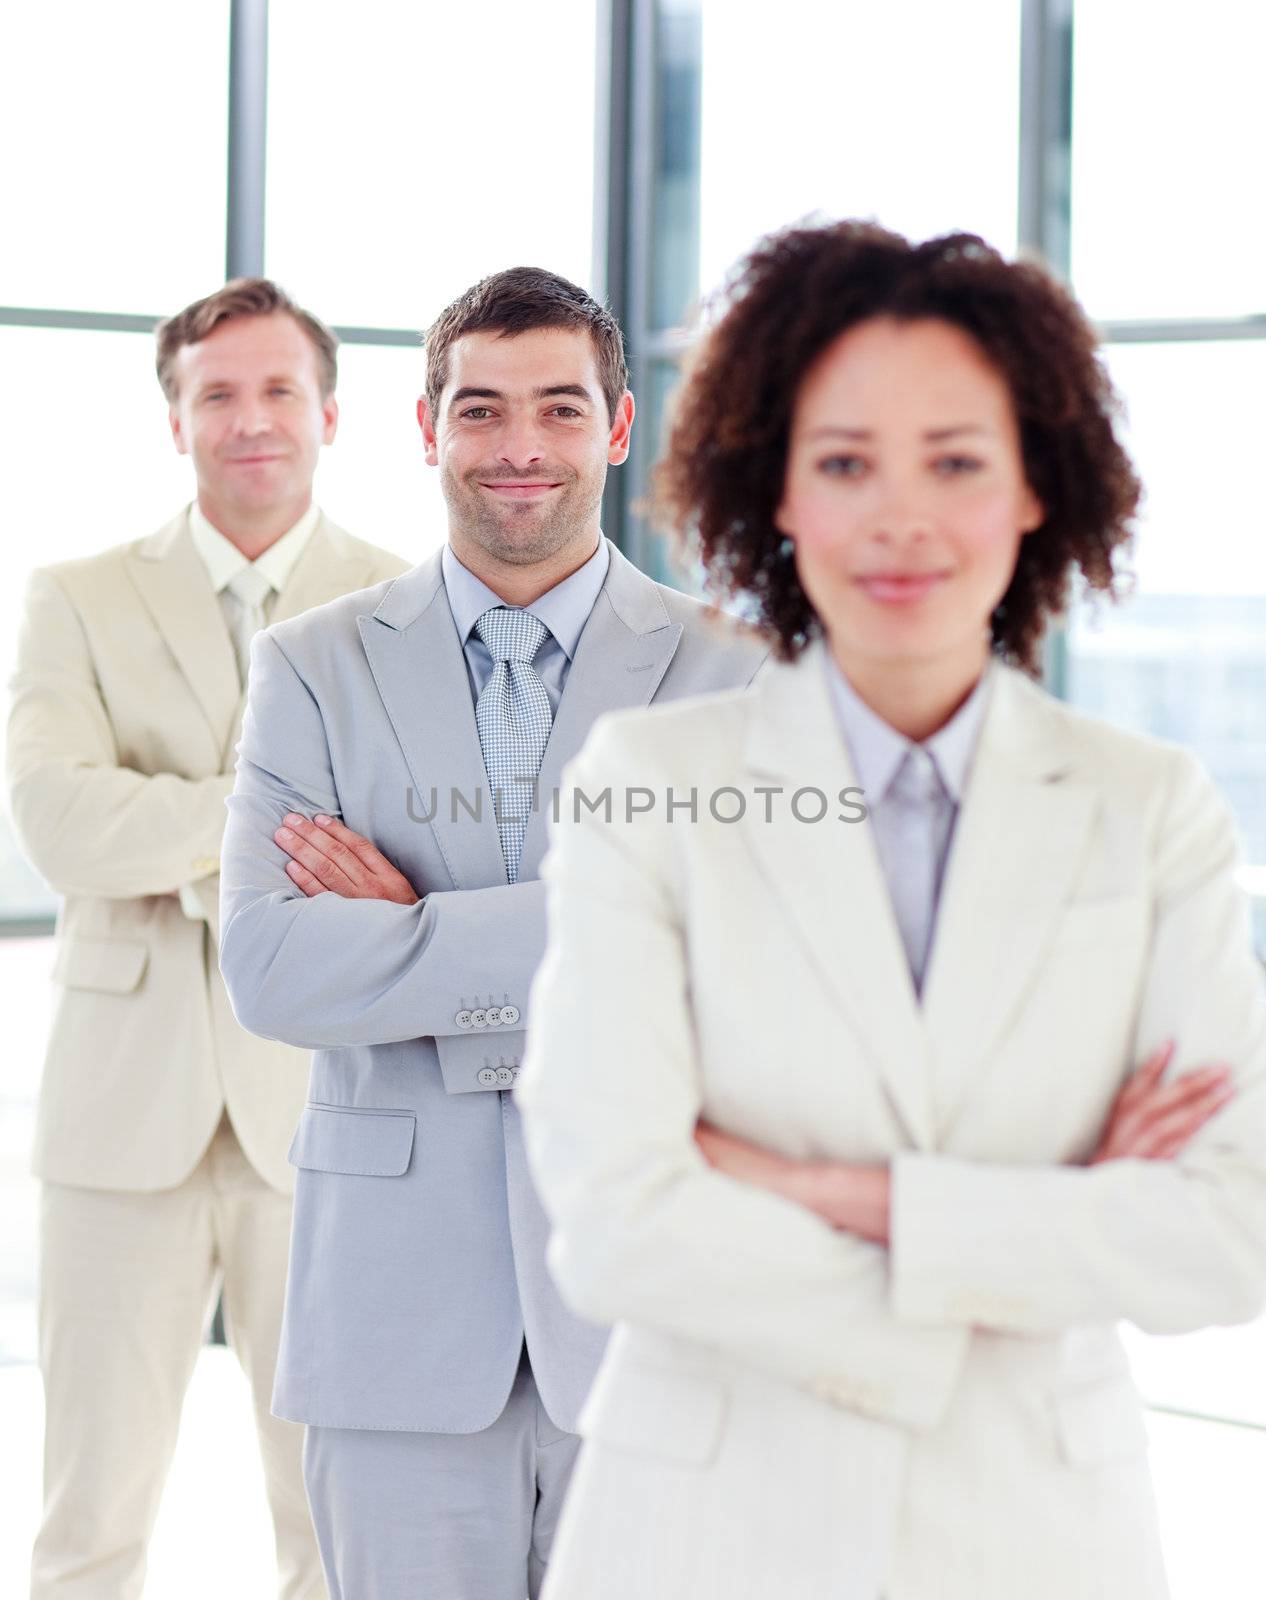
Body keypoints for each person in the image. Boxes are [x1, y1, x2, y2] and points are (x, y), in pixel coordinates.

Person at [515, 222, 1266, 1600]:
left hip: (1034, 1530)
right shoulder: (646, 783)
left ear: (1037, 486)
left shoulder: (1144, 807)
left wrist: (832, 1194)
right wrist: (1040, 1225)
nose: (899, 516)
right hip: (706, 1531)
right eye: (845, 462)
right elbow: (617, 1217)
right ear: (777, 493)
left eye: (957, 462)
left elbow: (1225, 1233)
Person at [216, 266, 765, 1600]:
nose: (519, 449)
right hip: (392, 1319)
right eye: (481, 410)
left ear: (619, 427)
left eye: (559, 410)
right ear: (425, 428)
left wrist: (412, 934)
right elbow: (273, 968)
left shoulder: (737, 668)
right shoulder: (313, 664)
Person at [6, 277, 408, 1599]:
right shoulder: (74, 596)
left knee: (335, 1518)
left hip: (328, 1116)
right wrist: (276, 832)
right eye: (217, 393)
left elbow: (408, 853)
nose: (251, 420)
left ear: (331, 415)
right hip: (121, 1116)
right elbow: (62, 825)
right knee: (90, 1521)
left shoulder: (402, 602)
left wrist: (174, 838)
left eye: (278, 389)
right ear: (174, 418)